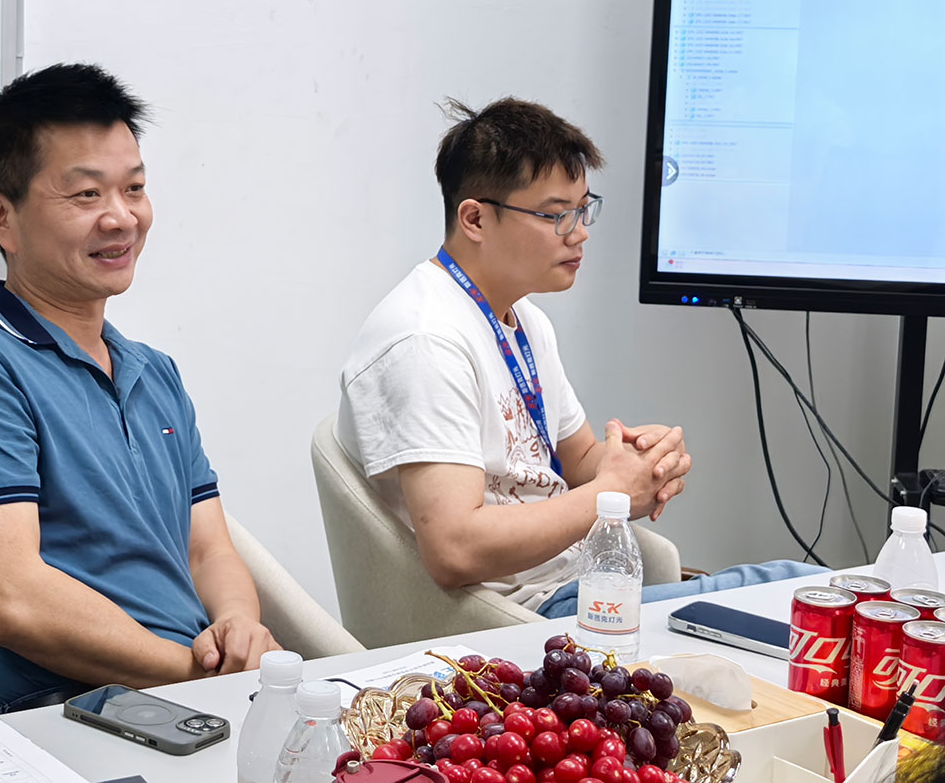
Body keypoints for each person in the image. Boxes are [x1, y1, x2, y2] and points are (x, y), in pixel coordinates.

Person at [0, 63, 279, 713]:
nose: (122, 218)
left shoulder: (154, 371)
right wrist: (196, 675)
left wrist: (238, 625)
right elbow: (14, 602)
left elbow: (207, 548)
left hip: (202, 699)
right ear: (1, 216)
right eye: (86, 195)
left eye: (134, 188)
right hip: (81, 718)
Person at [337, 97, 816, 618]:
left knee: (802, 596)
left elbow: (581, 460)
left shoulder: (523, 318)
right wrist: (612, 492)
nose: (580, 232)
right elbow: (455, 550)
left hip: (585, 582)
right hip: (524, 616)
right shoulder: (425, 339)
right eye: (555, 215)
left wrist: (642, 464)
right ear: (474, 218)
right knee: (796, 589)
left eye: (583, 209)